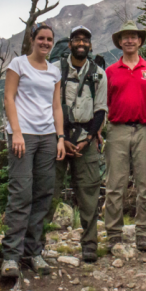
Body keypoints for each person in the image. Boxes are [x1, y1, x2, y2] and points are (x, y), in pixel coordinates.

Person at [1, 23, 67, 277]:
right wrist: (16, 132)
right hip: (23, 135)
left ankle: (34, 252)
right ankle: (11, 256)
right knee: (21, 192)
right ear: (32, 39)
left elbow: (56, 106)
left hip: (48, 136)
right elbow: (9, 97)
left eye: (49, 39)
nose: (46, 43)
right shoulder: (18, 65)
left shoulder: (54, 71)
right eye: (41, 38)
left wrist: (60, 137)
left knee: (42, 193)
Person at [45, 26, 108, 263]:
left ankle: (90, 244)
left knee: (89, 193)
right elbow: (46, 106)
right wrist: (60, 137)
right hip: (56, 138)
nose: (81, 43)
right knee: (49, 190)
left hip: (86, 139)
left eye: (85, 40)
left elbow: (101, 110)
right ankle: (36, 242)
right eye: (76, 39)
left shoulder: (99, 74)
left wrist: (88, 139)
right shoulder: (54, 70)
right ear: (70, 44)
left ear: (90, 45)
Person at [105, 21, 146, 251]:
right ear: (120, 42)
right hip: (117, 129)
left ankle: (143, 233)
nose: (129, 40)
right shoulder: (110, 71)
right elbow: (103, 104)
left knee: (145, 184)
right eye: (125, 37)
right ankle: (114, 233)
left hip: (145, 129)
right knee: (115, 184)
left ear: (140, 41)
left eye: (133, 37)